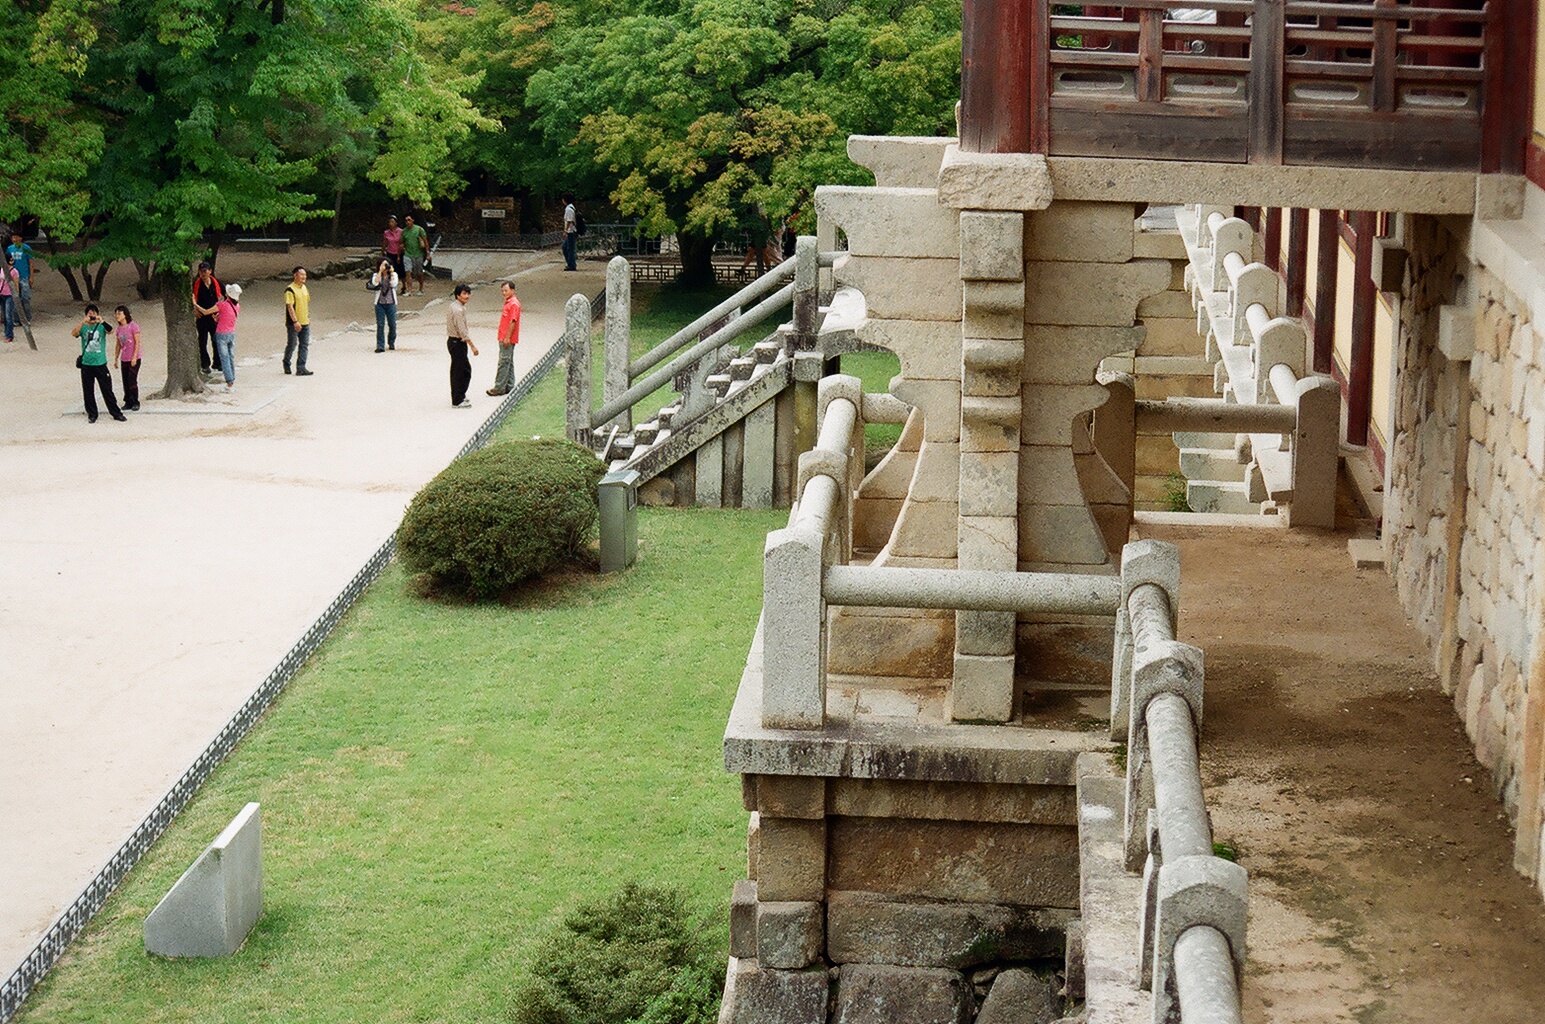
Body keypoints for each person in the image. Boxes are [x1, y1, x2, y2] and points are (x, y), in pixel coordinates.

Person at [72, 304, 125, 423]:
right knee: (88, 391)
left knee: (107, 390)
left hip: (100, 363)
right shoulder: (83, 327)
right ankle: (92, 414)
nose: (92, 316)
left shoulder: (101, 326)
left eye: (94, 314)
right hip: (87, 364)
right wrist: (83, 322)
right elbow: (74, 333)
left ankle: (116, 413)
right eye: (89, 314)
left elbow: (111, 331)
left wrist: (102, 321)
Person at [486, 279, 521, 396]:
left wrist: (507, 337)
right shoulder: (508, 303)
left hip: (507, 338)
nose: (504, 293)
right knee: (508, 361)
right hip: (503, 336)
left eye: (506, 290)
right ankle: (509, 385)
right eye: (502, 291)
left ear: (512, 290)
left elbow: (513, 321)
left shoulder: (514, 304)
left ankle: (499, 387)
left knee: (503, 362)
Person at [446, 284, 478, 408]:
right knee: (459, 371)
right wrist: (472, 346)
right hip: (457, 342)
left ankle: (460, 394)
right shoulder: (458, 310)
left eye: (468, 293)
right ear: (458, 295)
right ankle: (457, 400)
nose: (467, 296)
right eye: (464, 294)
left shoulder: (454, 306)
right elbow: (462, 331)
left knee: (462, 370)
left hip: (454, 342)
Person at [191, 261, 225, 377]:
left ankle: (218, 363)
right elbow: (191, 299)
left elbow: (226, 297)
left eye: (205, 271)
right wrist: (194, 310)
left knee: (216, 340)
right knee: (202, 341)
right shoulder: (196, 284)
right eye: (201, 271)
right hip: (201, 317)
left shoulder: (217, 283)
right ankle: (205, 364)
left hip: (214, 317)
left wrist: (221, 311)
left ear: (210, 271)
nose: (203, 273)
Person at [283, 266, 313, 376]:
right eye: (301, 274)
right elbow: (290, 307)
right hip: (293, 323)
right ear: (295, 275)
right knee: (292, 344)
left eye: (305, 275)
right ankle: (286, 362)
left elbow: (305, 303)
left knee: (304, 345)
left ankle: (301, 367)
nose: (304, 277)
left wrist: (307, 317)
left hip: (305, 321)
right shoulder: (290, 290)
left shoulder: (304, 288)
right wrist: (295, 321)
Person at [113, 305, 143, 411]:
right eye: (116, 314)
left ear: (125, 315)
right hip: (124, 358)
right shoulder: (119, 329)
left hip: (134, 358)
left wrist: (134, 357)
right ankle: (128, 401)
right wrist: (116, 358)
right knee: (125, 380)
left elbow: (137, 342)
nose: (117, 316)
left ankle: (135, 401)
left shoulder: (133, 326)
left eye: (119, 313)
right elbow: (118, 345)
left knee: (131, 379)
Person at [213, 283, 241, 390]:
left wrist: (195, 304)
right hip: (231, 333)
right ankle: (232, 379)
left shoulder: (222, 305)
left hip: (221, 334)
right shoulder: (237, 306)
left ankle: (229, 382)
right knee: (230, 357)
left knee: (224, 359)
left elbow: (205, 312)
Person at [370, 258, 399, 352]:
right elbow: (375, 283)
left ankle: (391, 342)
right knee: (380, 324)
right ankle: (380, 346)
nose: (385, 267)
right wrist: (380, 272)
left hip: (391, 302)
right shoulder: (376, 275)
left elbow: (394, 284)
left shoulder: (394, 275)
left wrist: (391, 273)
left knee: (392, 324)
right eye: (383, 265)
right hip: (380, 303)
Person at [7, 231, 36, 323]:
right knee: (15, 297)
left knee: (25, 297)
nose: (14, 239)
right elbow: (7, 262)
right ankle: (16, 318)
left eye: (16, 237)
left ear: (20, 238)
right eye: (13, 237)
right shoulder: (9, 248)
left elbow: (31, 263)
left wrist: (31, 277)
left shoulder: (26, 248)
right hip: (13, 276)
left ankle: (27, 317)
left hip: (24, 276)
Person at [401, 215, 429, 295]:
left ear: (413, 220)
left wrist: (427, 253)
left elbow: (425, 242)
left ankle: (421, 288)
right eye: (406, 220)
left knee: (418, 273)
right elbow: (402, 242)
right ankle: (409, 290)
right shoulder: (404, 231)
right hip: (407, 254)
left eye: (409, 220)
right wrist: (401, 248)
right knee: (408, 271)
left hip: (418, 254)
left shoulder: (419, 229)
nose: (407, 222)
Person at [0, 255, 18, 344]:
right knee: (4, 315)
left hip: (9, 295)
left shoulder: (14, 271)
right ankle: (6, 332)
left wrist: (16, 295)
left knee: (8, 315)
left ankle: (9, 335)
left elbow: (16, 283)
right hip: (1, 293)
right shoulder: (1, 270)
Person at [382, 215, 405, 280]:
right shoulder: (386, 232)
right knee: (390, 269)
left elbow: (402, 243)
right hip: (390, 253)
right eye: (389, 222)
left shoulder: (401, 231)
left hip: (399, 253)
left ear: (396, 223)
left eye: (392, 222)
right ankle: (391, 283)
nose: (390, 223)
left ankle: (404, 284)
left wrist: (399, 254)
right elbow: (384, 242)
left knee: (401, 270)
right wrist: (383, 251)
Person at [561, 193, 578, 272]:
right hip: (571, 231)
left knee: (569, 248)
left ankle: (571, 264)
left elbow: (569, 221)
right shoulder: (572, 208)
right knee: (566, 247)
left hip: (571, 231)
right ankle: (570, 263)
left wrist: (565, 231)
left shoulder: (568, 209)